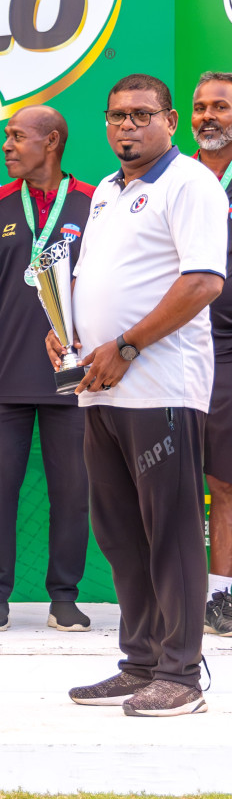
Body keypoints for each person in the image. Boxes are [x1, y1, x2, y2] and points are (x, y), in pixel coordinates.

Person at [60, 73, 223, 717]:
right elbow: (91, 281)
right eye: (116, 116)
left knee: (173, 531)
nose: (126, 127)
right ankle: (142, 662)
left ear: (170, 120)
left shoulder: (191, 184)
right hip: (98, 386)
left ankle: (182, 676)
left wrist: (126, 345)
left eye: (140, 115)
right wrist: (68, 337)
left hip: (160, 385)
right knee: (121, 532)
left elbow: (203, 282)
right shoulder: (105, 190)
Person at [0, 105, 93, 632]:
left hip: (75, 375)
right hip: (2, 375)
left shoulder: (93, 202)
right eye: (7, 137)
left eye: (18, 137)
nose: (7, 146)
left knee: (73, 489)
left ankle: (64, 595)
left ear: (53, 141)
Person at [191, 71, 232, 637]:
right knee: (170, 482)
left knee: (224, 481)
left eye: (220, 106)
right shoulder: (172, 178)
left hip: (230, 349)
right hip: (172, 344)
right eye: (201, 107)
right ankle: (176, 594)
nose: (208, 117)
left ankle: (222, 596)